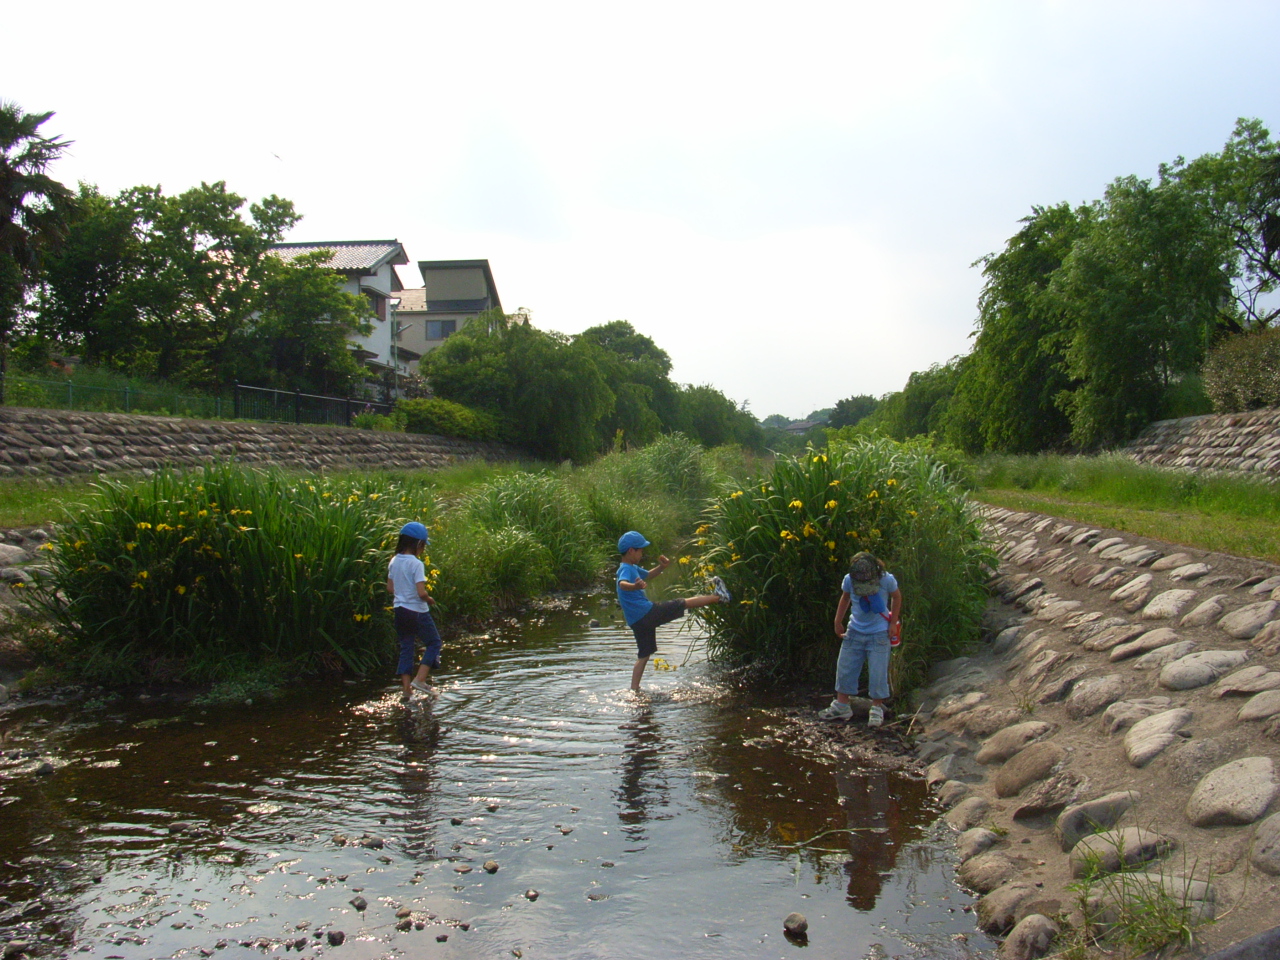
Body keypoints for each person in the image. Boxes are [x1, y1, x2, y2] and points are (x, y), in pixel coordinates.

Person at [616, 530, 731, 692]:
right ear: (631, 551)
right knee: (682, 603)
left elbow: (649, 575)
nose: (642, 553)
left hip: (637, 621)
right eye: (640, 550)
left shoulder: (632, 567)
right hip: (647, 613)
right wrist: (635, 586)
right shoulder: (626, 570)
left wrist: (662, 567)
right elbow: (622, 584)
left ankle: (634, 690)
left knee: (644, 655)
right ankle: (719, 597)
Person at [819, 551, 902, 726]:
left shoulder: (886, 579)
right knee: (845, 668)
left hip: (879, 634)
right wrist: (837, 621)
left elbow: (896, 596)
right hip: (854, 631)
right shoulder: (850, 579)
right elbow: (845, 597)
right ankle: (842, 705)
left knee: (877, 672)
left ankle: (877, 708)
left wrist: (893, 622)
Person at [387, 521, 442, 702]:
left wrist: (403, 594)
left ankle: (406, 690)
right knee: (434, 642)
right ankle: (420, 680)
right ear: (418, 544)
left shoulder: (394, 561)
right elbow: (421, 592)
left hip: (400, 610)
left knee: (406, 647)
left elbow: (390, 588)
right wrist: (430, 599)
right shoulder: (416, 564)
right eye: (424, 545)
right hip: (417, 611)